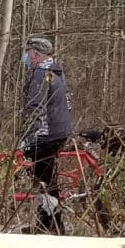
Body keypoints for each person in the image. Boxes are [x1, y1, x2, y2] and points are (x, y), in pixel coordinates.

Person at [18, 35, 76, 233]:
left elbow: (35, 107)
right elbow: (67, 104)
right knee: (47, 180)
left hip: (45, 135)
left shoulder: (41, 75)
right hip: (57, 132)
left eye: (28, 52)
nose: (26, 57)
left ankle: (51, 226)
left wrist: (28, 138)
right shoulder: (55, 73)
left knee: (45, 181)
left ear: (36, 54)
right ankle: (48, 223)